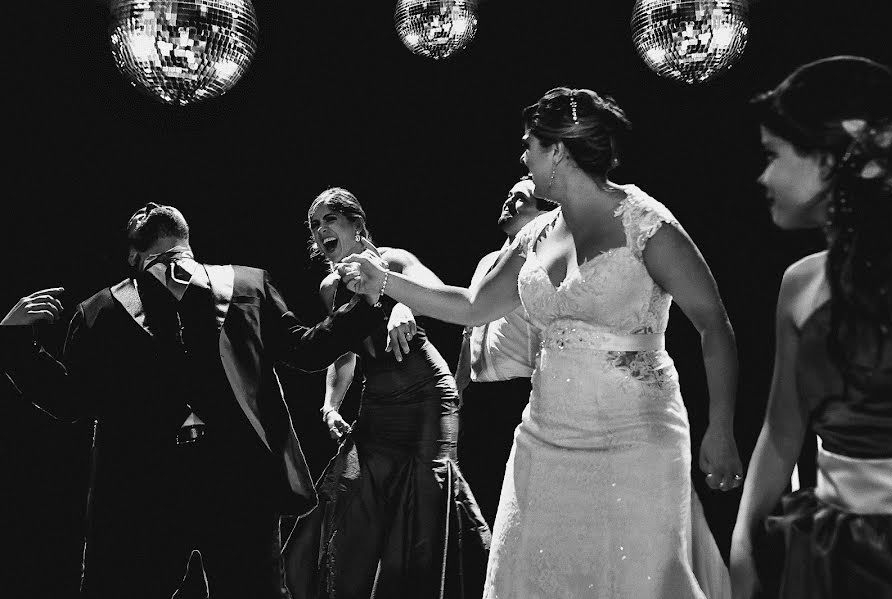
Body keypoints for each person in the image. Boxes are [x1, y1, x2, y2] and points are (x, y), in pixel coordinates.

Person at [339, 87, 742, 598]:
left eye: (529, 144)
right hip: (546, 435)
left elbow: (714, 324)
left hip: (638, 435)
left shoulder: (647, 225)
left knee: (635, 577)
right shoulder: (535, 235)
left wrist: (722, 427)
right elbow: (472, 306)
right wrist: (385, 281)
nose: (522, 156)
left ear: (558, 151)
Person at [0, 203, 392, 599]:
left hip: (239, 482)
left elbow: (305, 351)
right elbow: (70, 400)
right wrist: (13, 344)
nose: (151, 206)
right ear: (132, 258)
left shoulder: (248, 285)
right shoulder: (98, 311)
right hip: (144, 492)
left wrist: (367, 303)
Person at [730, 56, 892, 599]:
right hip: (830, 553)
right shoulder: (799, 284)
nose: (763, 176)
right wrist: (742, 549)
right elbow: (782, 432)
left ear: (833, 159)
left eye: (772, 155)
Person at [282, 188, 490, 599]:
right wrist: (329, 404)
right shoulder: (330, 287)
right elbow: (343, 354)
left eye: (329, 219)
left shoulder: (392, 259)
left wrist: (401, 304)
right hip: (377, 405)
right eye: (314, 224)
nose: (321, 229)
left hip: (427, 395)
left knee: (428, 500)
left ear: (356, 225)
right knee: (348, 496)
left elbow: (437, 295)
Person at [454, 174, 554, 527]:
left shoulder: (544, 262)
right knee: (475, 507)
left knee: (515, 509)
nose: (509, 202)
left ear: (545, 210)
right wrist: (459, 389)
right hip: (480, 399)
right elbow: (471, 330)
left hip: (519, 394)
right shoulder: (488, 261)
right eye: (508, 195)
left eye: (520, 199)